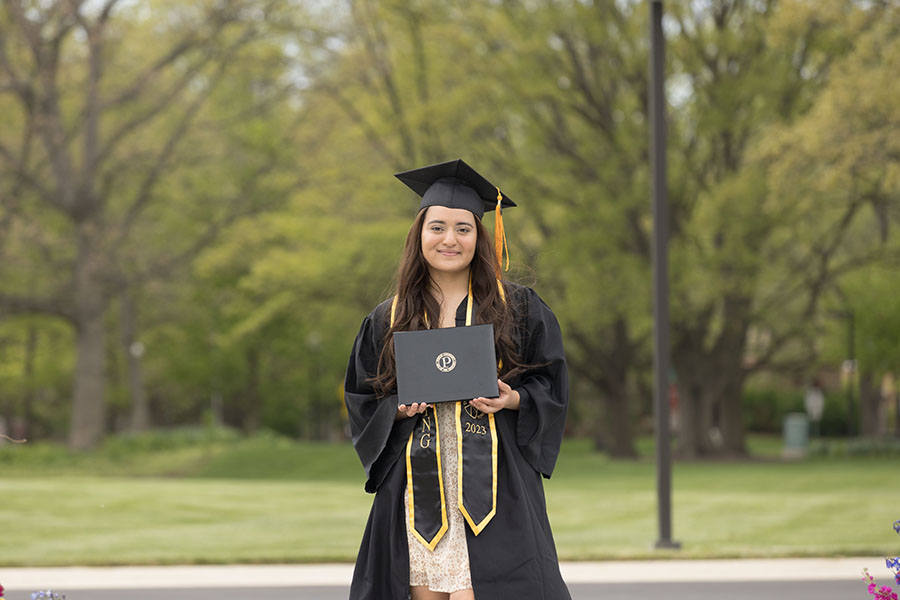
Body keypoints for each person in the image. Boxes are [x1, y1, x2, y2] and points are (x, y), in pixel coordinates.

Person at [344, 159, 571, 600]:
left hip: (494, 488)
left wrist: (512, 399)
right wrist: (397, 409)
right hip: (417, 490)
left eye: (463, 229)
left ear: (480, 237)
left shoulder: (517, 307)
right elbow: (364, 397)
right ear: (419, 235)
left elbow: (553, 381)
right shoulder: (388, 318)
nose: (450, 239)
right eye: (438, 227)